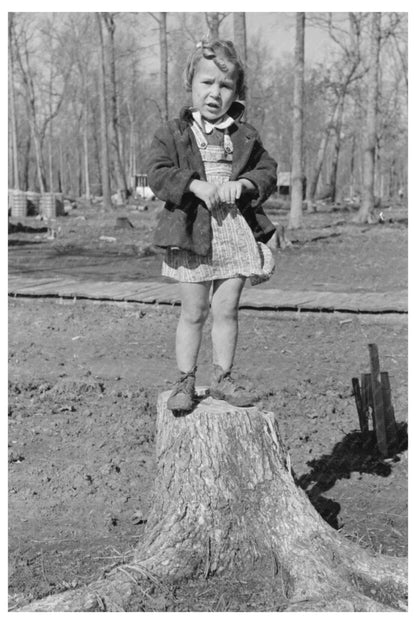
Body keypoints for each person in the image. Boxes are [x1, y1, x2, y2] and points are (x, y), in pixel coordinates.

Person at [147, 39, 277, 413]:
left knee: (227, 309)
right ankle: (185, 379)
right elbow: (158, 172)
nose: (215, 93)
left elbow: (268, 170)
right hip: (191, 230)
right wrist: (193, 184)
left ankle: (222, 378)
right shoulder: (174, 132)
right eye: (207, 83)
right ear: (191, 83)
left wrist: (247, 183)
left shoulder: (244, 134)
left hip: (234, 230)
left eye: (225, 86)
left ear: (236, 90)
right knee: (194, 310)